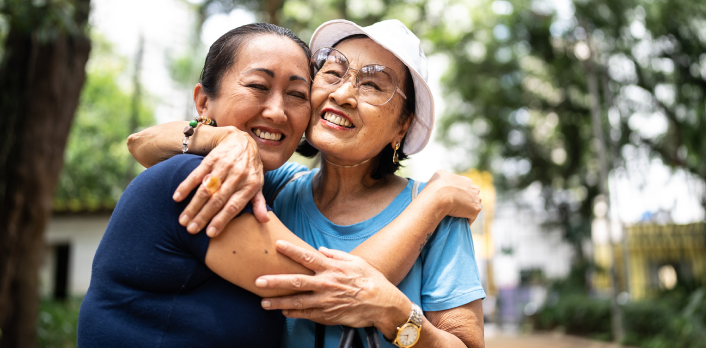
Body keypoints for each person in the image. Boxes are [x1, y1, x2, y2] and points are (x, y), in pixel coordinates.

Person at [79, 23, 481, 348]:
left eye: (373, 85)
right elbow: (142, 144)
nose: (343, 94)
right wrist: (223, 137)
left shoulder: (437, 216)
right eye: (333, 73)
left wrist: (398, 316)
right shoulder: (267, 185)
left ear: (403, 125)